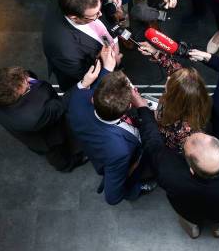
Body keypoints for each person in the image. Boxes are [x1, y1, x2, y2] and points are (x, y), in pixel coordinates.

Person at [135, 95, 219, 238]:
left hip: (188, 212)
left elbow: (153, 144)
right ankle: (218, 232)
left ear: (192, 169)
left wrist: (143, 109)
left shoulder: (168, 171)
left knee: (189, 224)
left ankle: (194, 233)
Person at [67, 59, 157, 205]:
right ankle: (136, 190)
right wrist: (142, 106)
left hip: (97, 147)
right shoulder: (119, 151)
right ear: (129, 106)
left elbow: (79, 91)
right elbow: (112, 197)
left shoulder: (77, 100)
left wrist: (91, 79)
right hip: (123, 159)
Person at [0, 66, 89, 172]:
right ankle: (67, 165)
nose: (29, 80)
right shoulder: (33, 117)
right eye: (26, 86)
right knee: (57, 153)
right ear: (15, 99)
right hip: (44, 137)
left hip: (17, 125)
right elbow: (59, 106)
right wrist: (82, 85)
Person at [42, 0, 120, 91]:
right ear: (74, 17)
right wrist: (108, 67)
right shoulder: (63, 49)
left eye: (99, 9)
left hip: (102, 46)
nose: (100, 15)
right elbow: (85, 76)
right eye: (95, 14)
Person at [157, 67, 211, 152]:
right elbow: (173, 67)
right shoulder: (189, 90)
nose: (168, 78)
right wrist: (156, 53)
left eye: (171, 80)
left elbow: (163, 146)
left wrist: (147, 115)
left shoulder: (181, 132)